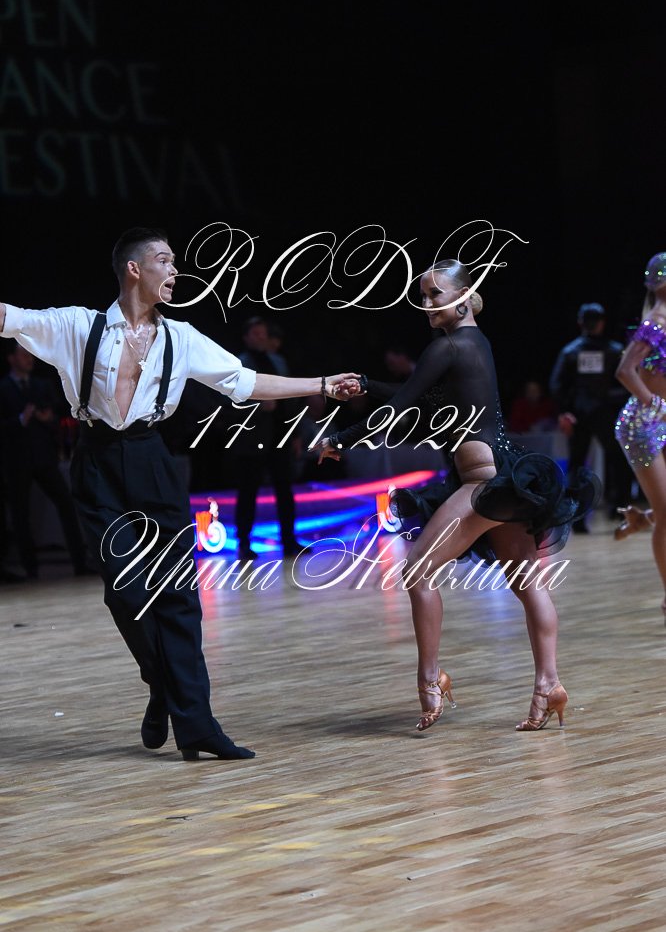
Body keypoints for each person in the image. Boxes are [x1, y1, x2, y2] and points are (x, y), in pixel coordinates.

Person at [0, 227, 356, 762]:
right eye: (164, 261)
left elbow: (244, 382)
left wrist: (322, 384)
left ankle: (197, 726)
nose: (174, 271)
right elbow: (9, 317)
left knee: (178, 597)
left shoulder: (181, 337)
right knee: (125, 592)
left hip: (152, 460)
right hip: (97, 462)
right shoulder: (77, 326)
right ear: (134, 269)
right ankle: (162, 684)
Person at [316, 260, 598, 733]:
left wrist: (340, 438)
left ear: (464, 297)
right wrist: (368, 384)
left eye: (435, 294)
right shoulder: (473, 343)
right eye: (422, 296)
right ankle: (549, 686)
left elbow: (402, 406)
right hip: (509, 480)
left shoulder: (446, 345)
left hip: (482, 484)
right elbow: (427, 401)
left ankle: (430, 680)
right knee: (528, 585)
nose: (426, 303)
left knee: (417, 572)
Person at [0, 342, 90, 577]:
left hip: (44, 458)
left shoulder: (42, 385)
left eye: (30, 354)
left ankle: (80, 562)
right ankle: (30, 568)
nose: (29, 359)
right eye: (23, 355)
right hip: (17, 460)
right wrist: (21, 419)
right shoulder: (3, 388)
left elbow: (60, 414)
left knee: (66, 504)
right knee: (20, 513)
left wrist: (47, 418)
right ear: (11, 359)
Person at [615, 252, 666, 622]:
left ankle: (641, 519)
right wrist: (653, 402)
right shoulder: (657, 321)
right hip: (642, 425)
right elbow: (624, 370)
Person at [549, 302, 631, 530]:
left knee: (578, 465)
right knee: (618, 461)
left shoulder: (570, 351)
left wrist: (564, 412)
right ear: (602, 323)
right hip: (607, 415)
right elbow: (627, 385)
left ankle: (577, 519)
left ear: (580, 323)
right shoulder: (615, 351)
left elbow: (557, 386)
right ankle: (621, 511)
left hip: (579, 415)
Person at [234, 316, 303, 560]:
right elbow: (230, 401)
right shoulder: (240, 364)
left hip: (279, 436)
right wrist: (258, 406)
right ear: (246, 338)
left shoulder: (278, 361)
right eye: (256, 333)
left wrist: (295, 434)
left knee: (285, 490)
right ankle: (244, 544)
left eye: (263, 333)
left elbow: (290, 399)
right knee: (248, 492)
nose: (261, 337)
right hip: (252, 439)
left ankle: (289, 541)